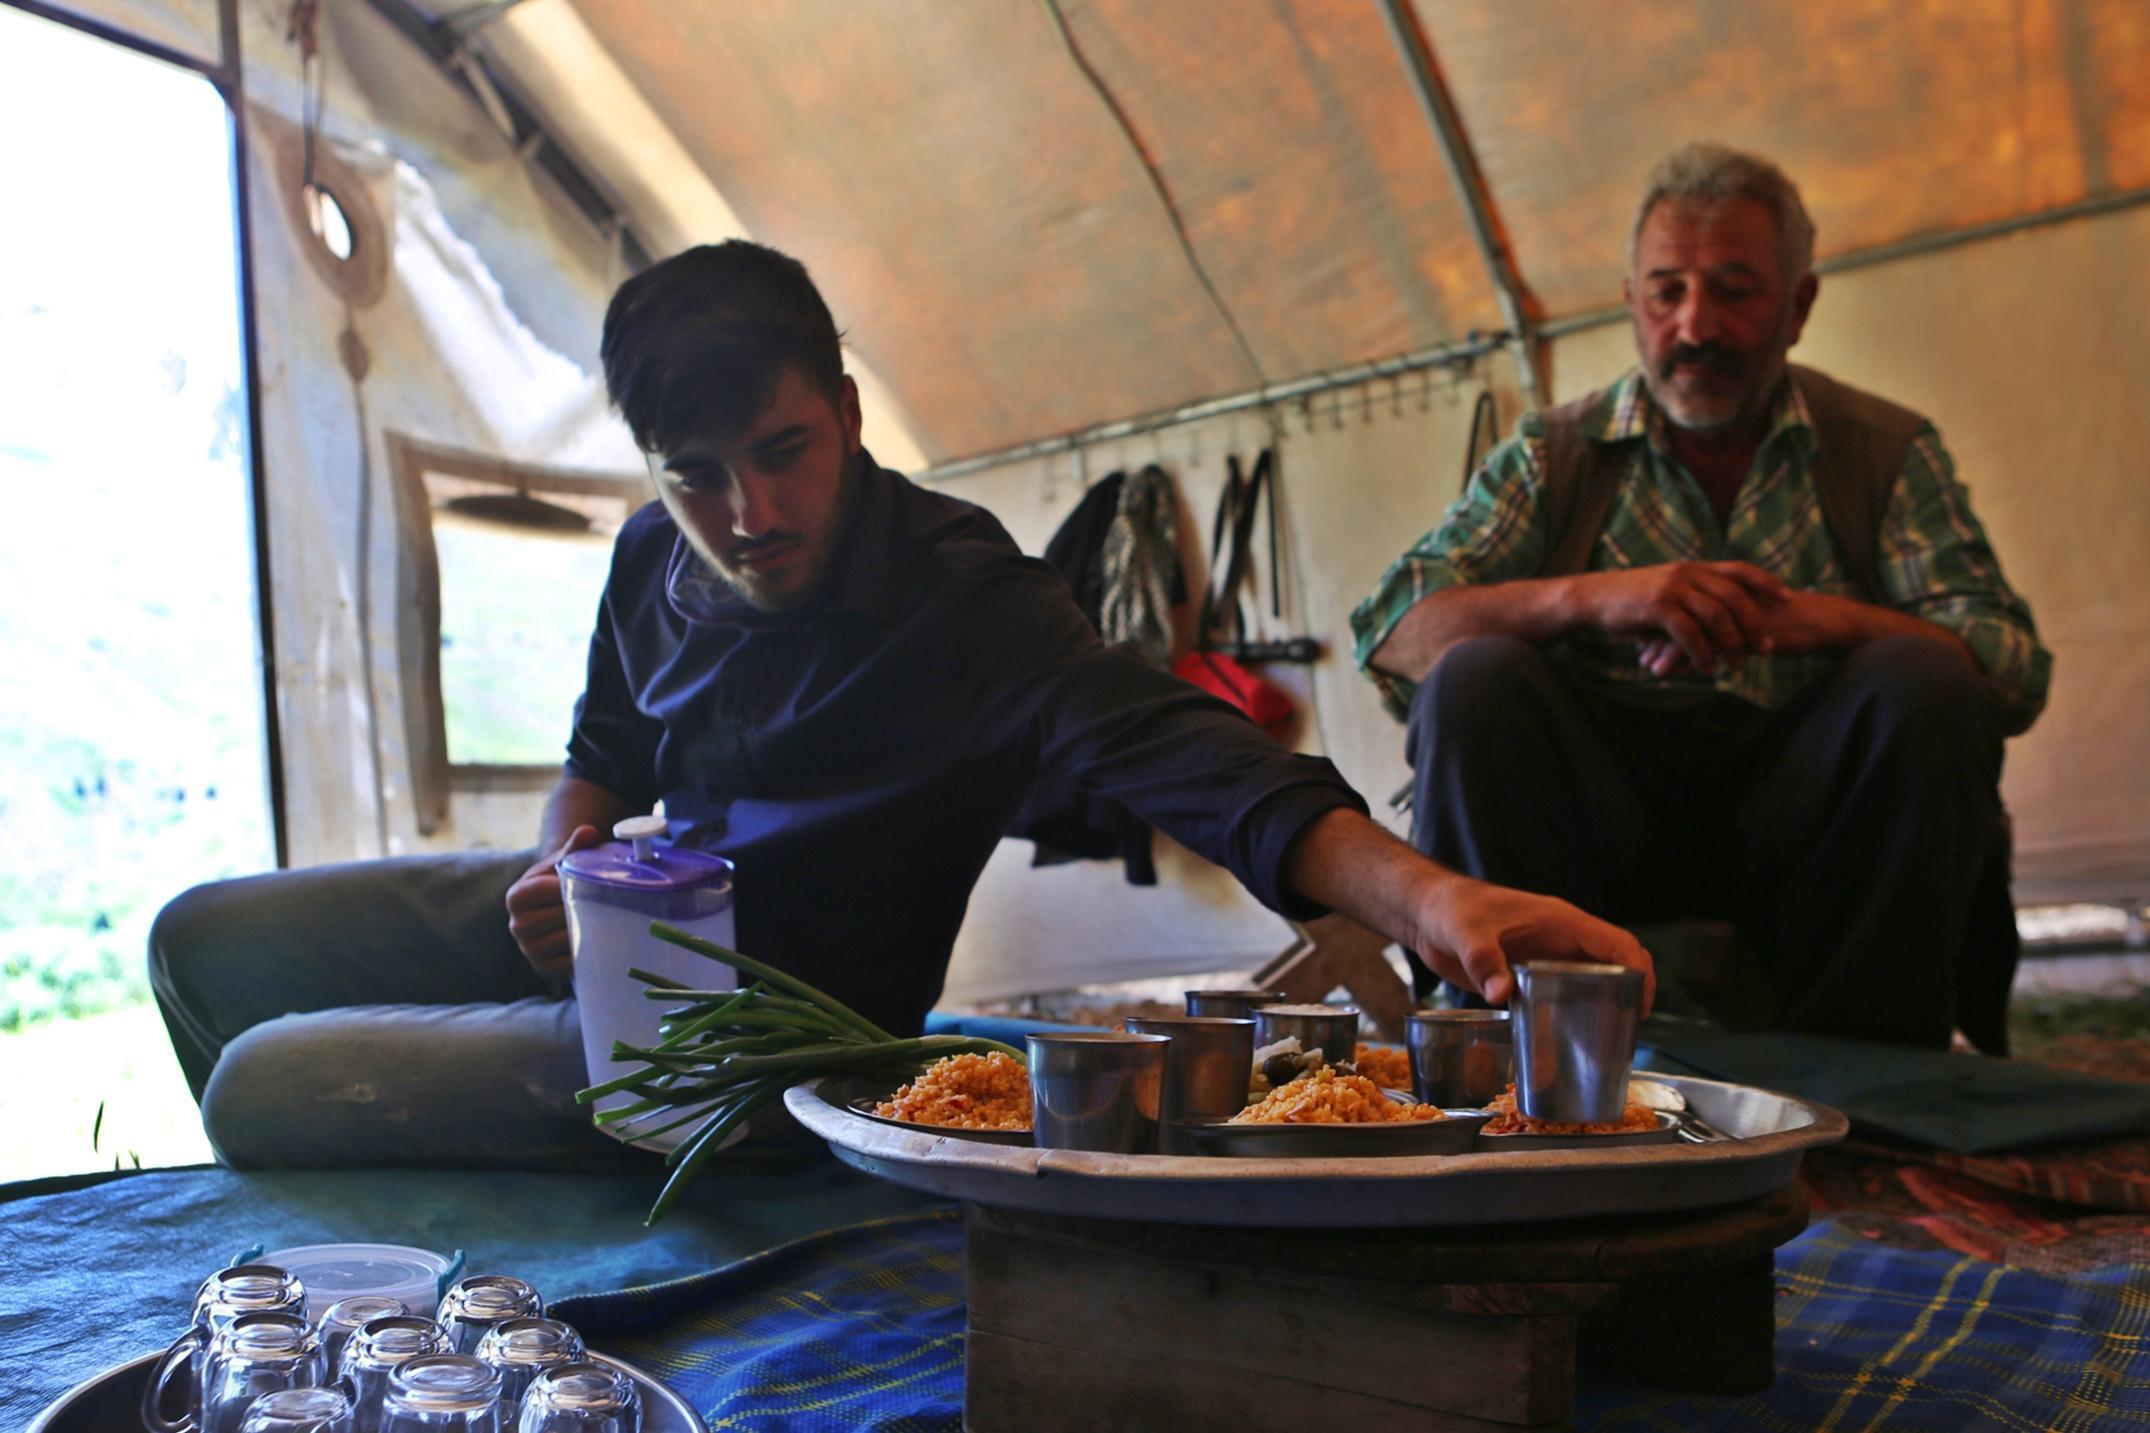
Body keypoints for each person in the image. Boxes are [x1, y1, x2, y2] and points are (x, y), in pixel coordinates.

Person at [153, 240, 1650, 1169]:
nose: (746, 512)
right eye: (696, 476)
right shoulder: (645, 557)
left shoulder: (963, 600)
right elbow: (599, 755)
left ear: (849, 412)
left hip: (759, 1034)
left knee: (261, 1083)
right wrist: (569, 861)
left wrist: (1429, 897)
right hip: (620, 925)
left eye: (782, 450)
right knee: (202, 941)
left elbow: (1188, 755)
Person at [1351, 143, 2050, 1052]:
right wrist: (1600, 599)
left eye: (1734, 289)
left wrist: (1823, 623)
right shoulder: (1554, 455)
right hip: (1594, 829)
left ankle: (1877, 1084)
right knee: (1472, 675)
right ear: (1631, 304)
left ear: (1799, 306)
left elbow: (2009, 666)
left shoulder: (1881, 450)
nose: (1695, 325)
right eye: (1666, 291)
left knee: (1925, 674)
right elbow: (1394, 630)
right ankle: (1508, 1062)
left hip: (1810, 835)